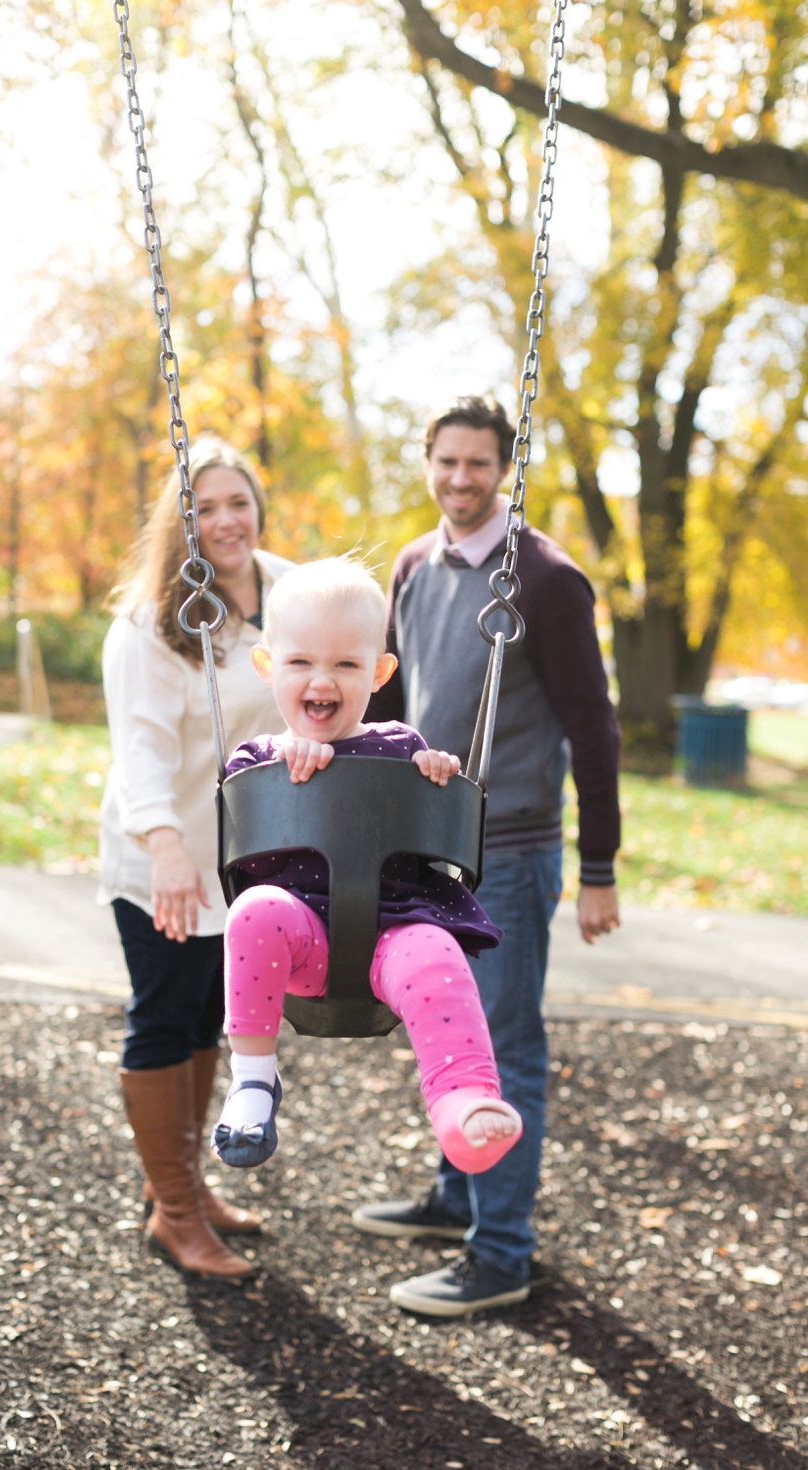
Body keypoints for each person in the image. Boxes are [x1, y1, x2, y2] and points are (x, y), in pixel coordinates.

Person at [352, 394, 621, 1318]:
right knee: (445, 1030)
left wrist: (599, 866)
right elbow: (388, 710)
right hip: (428, 851)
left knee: (505, 1054)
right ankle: (455, 1194)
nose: (461, 479)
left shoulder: (545, 579)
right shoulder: (415, 566)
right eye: (447, 461)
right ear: (426, 461)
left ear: (503, 467)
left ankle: (500, 1252)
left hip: (508, 850)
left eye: (479, 464)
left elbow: (594, 727)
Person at [208, 556, 523, 1177]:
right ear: (268, 666)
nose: (321, 679)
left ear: (378, 674)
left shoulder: (401, 745)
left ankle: (463, 1096)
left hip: (391, 934)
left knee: (437, 950)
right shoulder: (258, 754)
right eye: (300, 662)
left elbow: (428, 827)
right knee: (253, 910)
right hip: (298, 946)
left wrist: (435, 776)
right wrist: (279, 762)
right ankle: (252, 1082)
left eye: (346, 664)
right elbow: (241, 799)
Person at [99, 437, 293, 1279]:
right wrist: (168, 848)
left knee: (216, 1018)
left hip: (238, 858)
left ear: (257, 506)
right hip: (162, 858)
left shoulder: (287, 591)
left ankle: (187, 1188)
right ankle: (172, 1210)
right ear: (181, 525)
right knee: (165, 1018)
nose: (224, 520)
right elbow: (138, 749)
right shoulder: (147, 624)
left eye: (237, 502)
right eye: (204, 508)